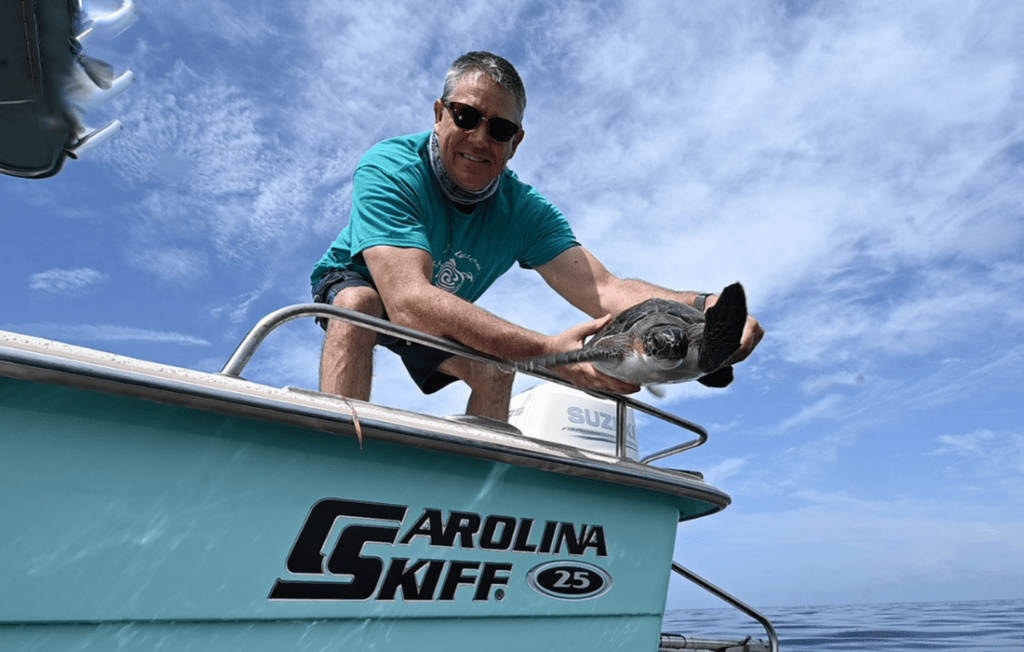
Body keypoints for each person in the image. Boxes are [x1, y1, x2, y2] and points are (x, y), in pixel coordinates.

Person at [311, 51, 764, 421]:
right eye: (466, 115)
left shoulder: (526, 211)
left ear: (516, 141)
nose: (480, 137)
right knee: (358, 306)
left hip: (438, 307)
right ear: (439, 113)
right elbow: (407, 300)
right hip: (367, 282)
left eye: (500, 128)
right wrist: (549, 351)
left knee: (496, 370)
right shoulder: (390, 168)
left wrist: (707, 308)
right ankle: (334, 451)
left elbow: (607, 290)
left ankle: (475, 498)